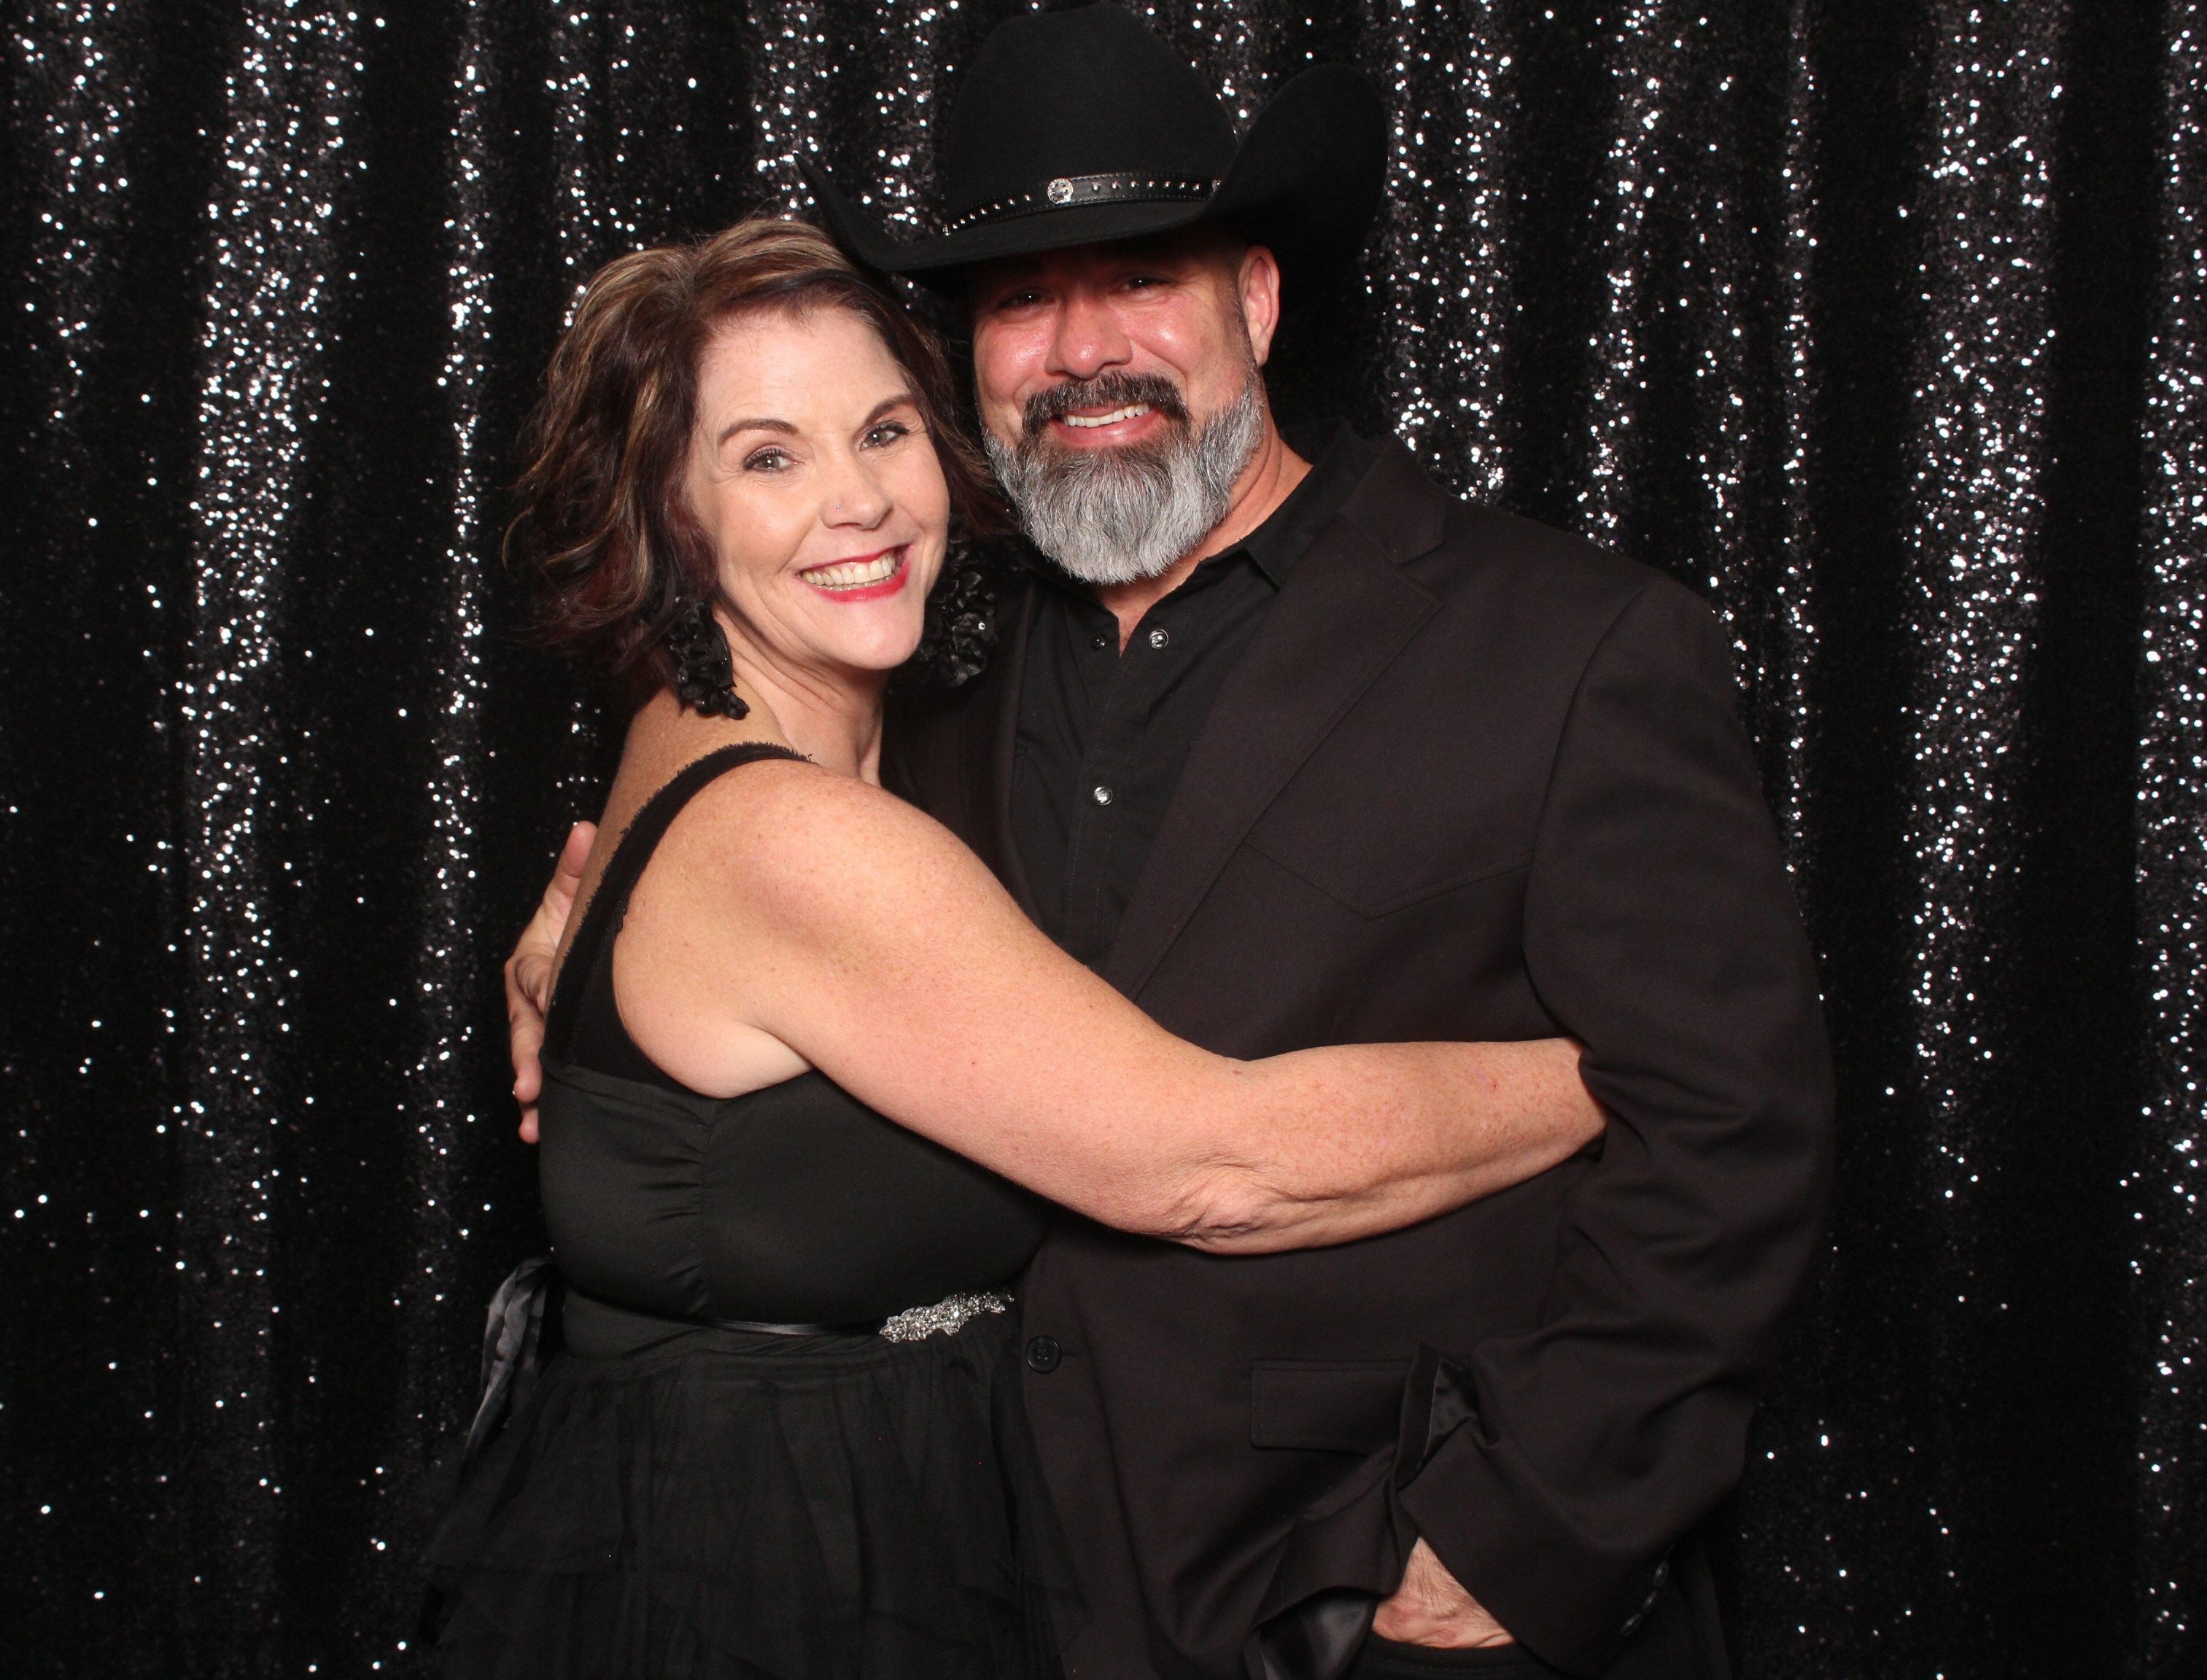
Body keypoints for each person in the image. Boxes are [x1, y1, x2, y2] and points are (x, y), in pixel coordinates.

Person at [508, 9, 1836, 1679]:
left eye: (1140, 276)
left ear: (1256, 303)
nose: (1082, 350)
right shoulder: (926, 689)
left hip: (1385, 1597)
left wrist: (1514, 1545)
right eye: (1020, 299)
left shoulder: (1569, 647)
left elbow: (1734, 1138)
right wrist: (587, 934)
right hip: (992, 1591)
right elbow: (742, 859)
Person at [427, 219, 1607, 1679]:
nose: (859, 501)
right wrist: (1612, 1072)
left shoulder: (718, 733)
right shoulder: (798, 836)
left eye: (883, 431)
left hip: (830, 1516)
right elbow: (1216, 1164)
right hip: (785, 1575)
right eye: (768, 458)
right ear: (669, 515)